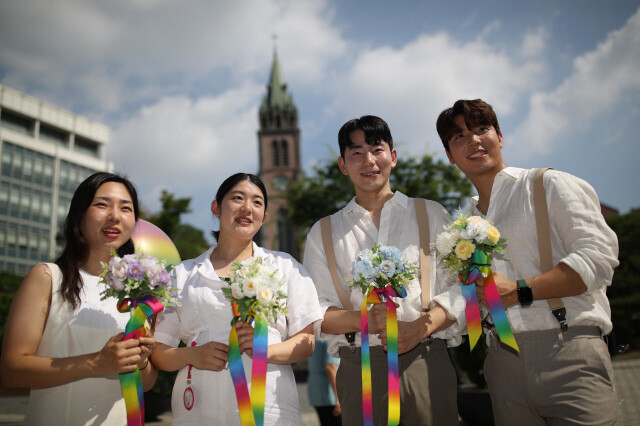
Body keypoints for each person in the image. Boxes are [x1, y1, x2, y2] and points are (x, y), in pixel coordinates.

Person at [436, 99, 619, 425]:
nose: (474, 141)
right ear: (450, 155)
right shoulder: (460, 224)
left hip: (568, 349)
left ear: (500, 136)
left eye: (482, 129)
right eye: (459, 137)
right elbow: (462, 301)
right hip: (501, 364)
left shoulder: (548, 184)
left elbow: (598, 258)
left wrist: (519, 290)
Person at [303, 116, 465, 426]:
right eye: (357, 153)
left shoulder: (430, 214)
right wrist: (363, 318)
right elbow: (314, 312)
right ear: (342, 164)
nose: (369, 161)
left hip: (426, 359)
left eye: (377, 150)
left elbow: (461, 289)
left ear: (392, 156)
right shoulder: (324, 232)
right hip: (357, 367)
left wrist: (422, 326)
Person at [151, 172, 323, 425]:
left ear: (264, 218)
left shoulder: (285, 266)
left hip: (269, 404)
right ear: (216, 208)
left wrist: (265, 350)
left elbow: (306, 341)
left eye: (257, 202)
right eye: (238, 198)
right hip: (198, 406)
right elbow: (158, 351)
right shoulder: (183, 273)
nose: (247, 208)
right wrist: (190, 356)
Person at [0, 172, 157, 426]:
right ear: (79, 216)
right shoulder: (47, 277)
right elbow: (12, 371)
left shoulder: (140, 294)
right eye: (102, 204)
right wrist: (97, 363)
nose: (115, 215)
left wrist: (140, 363)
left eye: (125, 208)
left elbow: (148, 383)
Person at [307, 339, 341, 426]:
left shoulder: (315, 338)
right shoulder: (329, 339)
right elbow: (330, 367)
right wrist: (339, 399)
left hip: (316, 392)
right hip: (330, 396)